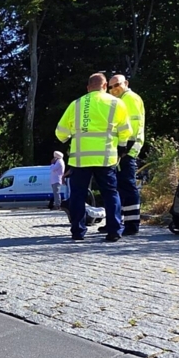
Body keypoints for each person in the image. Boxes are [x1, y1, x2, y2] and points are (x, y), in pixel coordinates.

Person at [55, 72, 133, 241]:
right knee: (110, 193)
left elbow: (60, 133)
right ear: (105, 86)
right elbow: (126, 131)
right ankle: (114, 231)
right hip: (106, 157)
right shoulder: (116, 103)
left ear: (88, 88)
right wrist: (121, 148)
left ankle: (78, 231)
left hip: (80, 159)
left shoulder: (76, 104)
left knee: (78, 195)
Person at [107, 74, 145, 235]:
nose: (113, 89)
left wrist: (124, 150)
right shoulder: (121, 100)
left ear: (126, 83)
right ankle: (120, 221)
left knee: (128, 186)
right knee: (120, 186)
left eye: (117, 85)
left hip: (127, 150)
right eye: (110, 87)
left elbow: (133, 127)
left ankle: (132, 224)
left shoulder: (129, 98)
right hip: (122, 150)